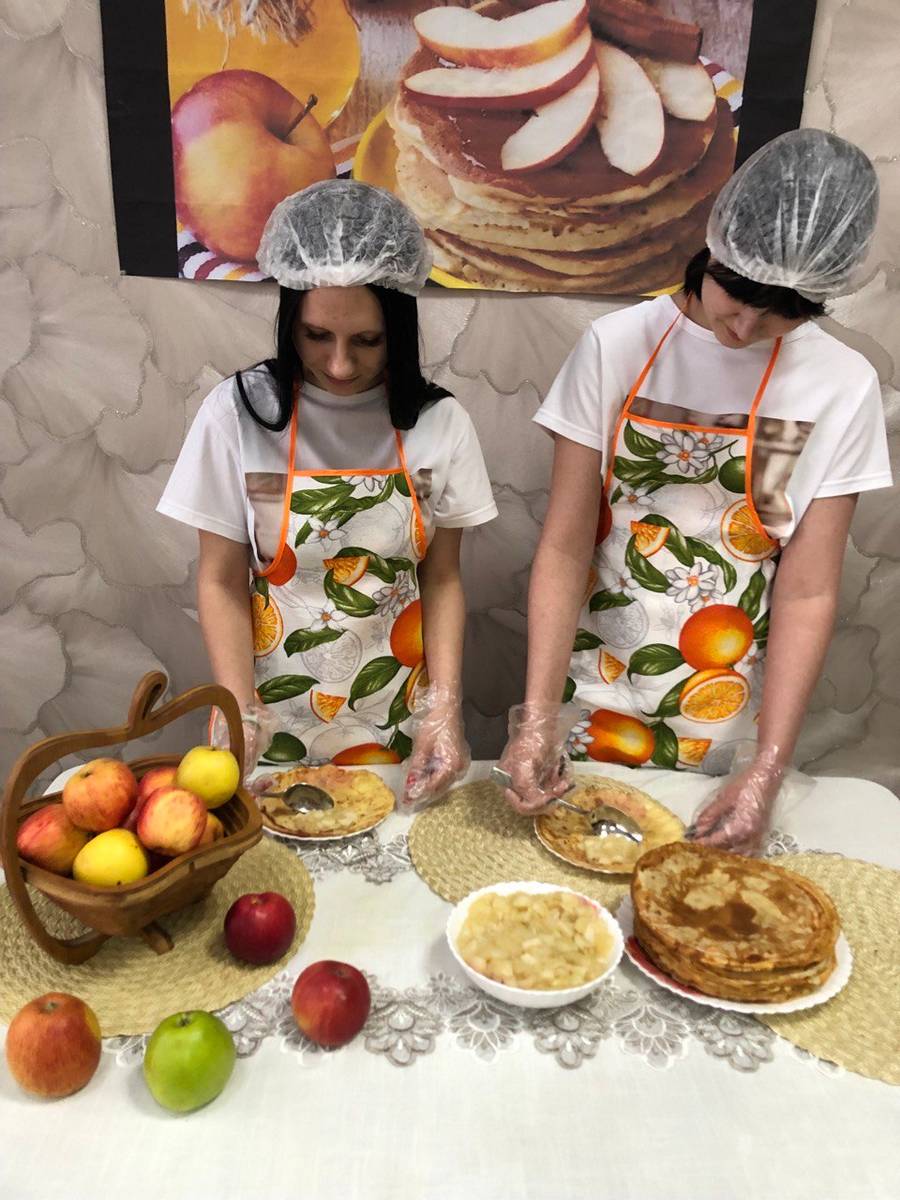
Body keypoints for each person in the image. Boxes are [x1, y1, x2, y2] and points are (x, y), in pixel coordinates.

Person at [498, 129, 891, 853]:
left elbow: (808, 591)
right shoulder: (617, 346)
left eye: (781, 312)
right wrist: (537, 717)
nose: (743, 325)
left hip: (727, 709)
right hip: (594, 688)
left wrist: (766, 769)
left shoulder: (842, 384)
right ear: (714, 247)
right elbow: (564, 546)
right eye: (734, 293)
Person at [158, 180, 497, 808]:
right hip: (269, 720)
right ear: (289, 320)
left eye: (367, 341)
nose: (339, 365)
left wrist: (444, 708)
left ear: (399, 327)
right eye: (317, 336)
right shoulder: (239, 414)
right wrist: (238, 707)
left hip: (394, 723)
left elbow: (442, 578)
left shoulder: (439, 422)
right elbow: (221, 579)